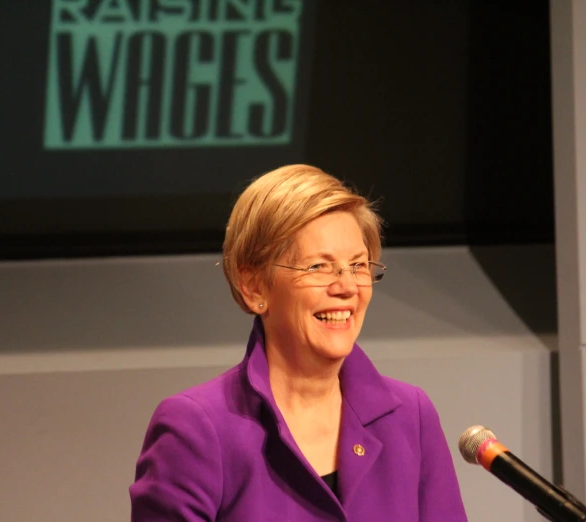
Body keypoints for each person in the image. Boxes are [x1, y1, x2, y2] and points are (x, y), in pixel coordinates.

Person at [129, 165, 467, 521]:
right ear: (254, 286)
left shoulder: (410, 416)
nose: (347, 287)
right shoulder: (196, 429)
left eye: (358, 265)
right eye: (318, 267)